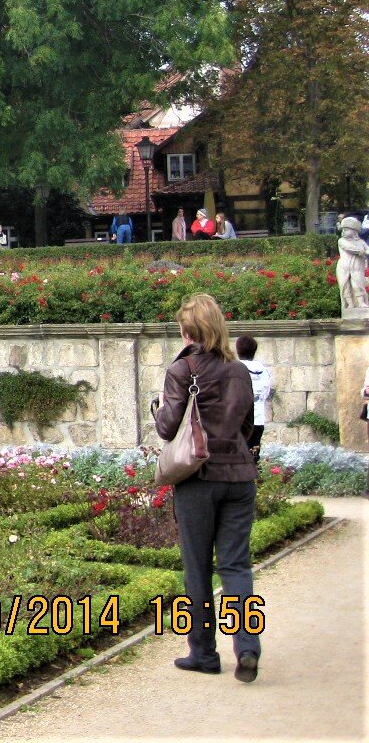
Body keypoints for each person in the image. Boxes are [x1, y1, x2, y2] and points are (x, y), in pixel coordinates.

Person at [152, 292, 260, 681]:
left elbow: (168, 428)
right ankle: (247, 647)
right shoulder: (239, 370)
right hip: (239, 476)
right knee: (236, 567)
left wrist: (157, 410)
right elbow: (247, 425)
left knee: (197, 569)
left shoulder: (184, 369)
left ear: (188, 332)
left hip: (198, 478)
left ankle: (203, 653)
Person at [235, 335, 272, 464]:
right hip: (258, 419)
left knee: (238, 458)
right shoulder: (264, 370)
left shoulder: (235, 369)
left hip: (240, 420)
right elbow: (266, 393)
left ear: (237, 350)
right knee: (254, 456)